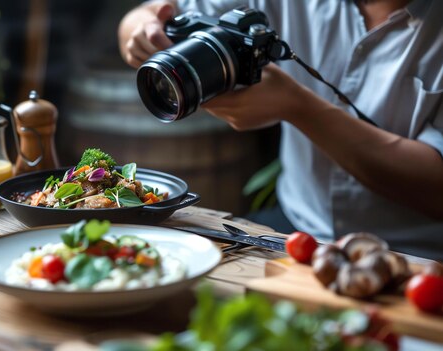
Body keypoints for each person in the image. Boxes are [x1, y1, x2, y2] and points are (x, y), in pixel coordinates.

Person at [118, 0, 443, 260]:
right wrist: (143, 29)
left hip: (415, 253)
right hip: (296, 230)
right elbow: (147, 15)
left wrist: (301, 108)